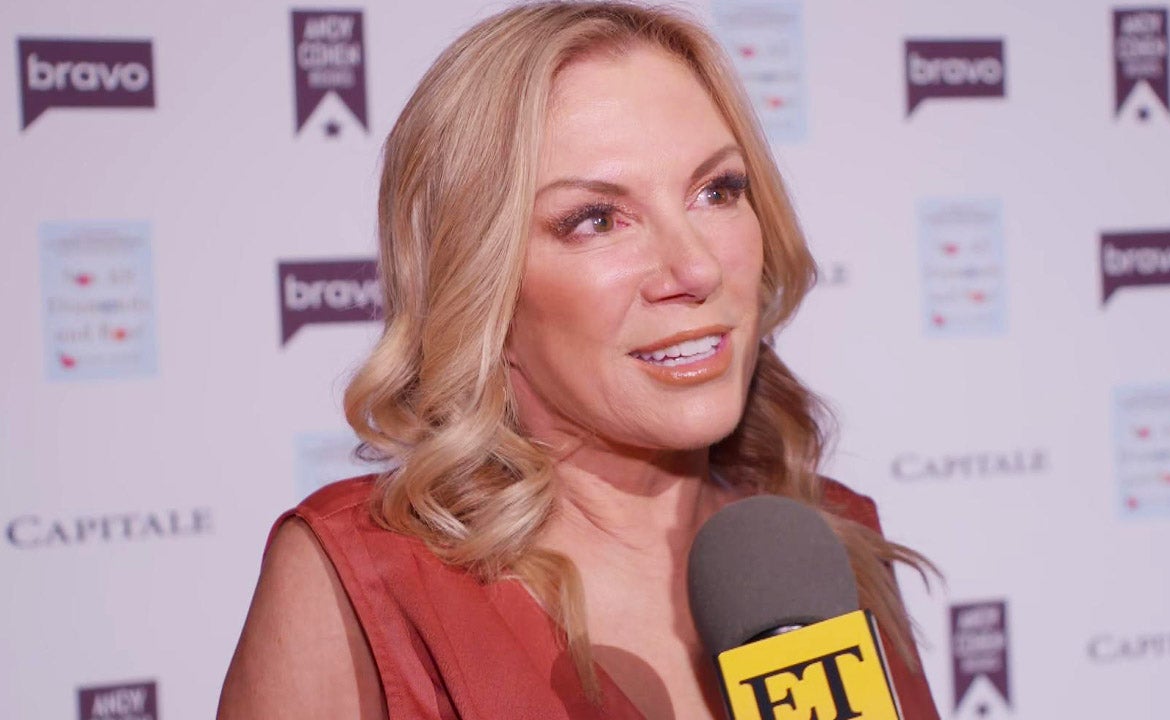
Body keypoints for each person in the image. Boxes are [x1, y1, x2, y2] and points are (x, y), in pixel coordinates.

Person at [218, 2, 940, 718]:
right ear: (480, 281)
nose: (696, 268)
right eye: (596, 220)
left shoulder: (824, 548)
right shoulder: (363, 580)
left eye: (716, 191)